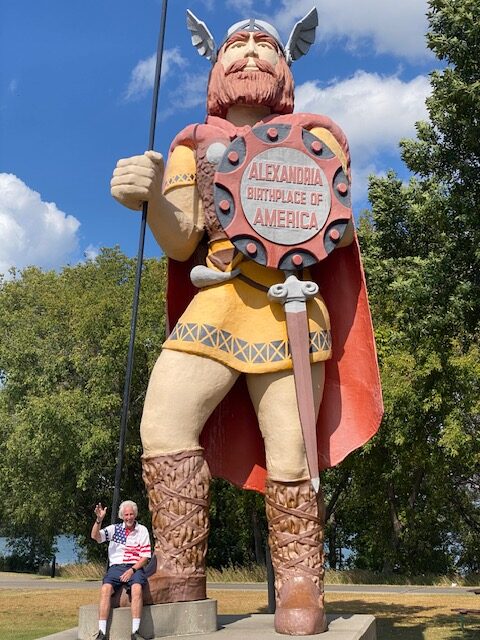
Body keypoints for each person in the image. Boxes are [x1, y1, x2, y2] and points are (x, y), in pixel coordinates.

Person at [110, 10, 382, 635]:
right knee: (163, 424)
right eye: (238, 44)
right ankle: (178, 571)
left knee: (293, 446)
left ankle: (299, 582)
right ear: (215, 66)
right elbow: (182, 240)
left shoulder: (316, 134)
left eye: (266, 44)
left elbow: (335, 226)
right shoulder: (191, 143)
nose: (252, 51)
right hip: (215, 302)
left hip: (290, 306)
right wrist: (150, 195)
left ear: (286, 66)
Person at [91, 501, 151, 640]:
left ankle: (135, 632)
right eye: (126, 515)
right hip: (116, 567)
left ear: (135, 515)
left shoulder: (142, 530)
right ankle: (102, 632)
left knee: (137, 588)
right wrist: (99, 520)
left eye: (131, 514)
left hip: (135, 566)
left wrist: (132, 570)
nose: (129, 517)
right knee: (105, 589)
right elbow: (95, 536)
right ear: (122, 516)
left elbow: (145, 557)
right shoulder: (115, 529)